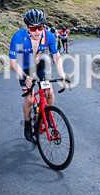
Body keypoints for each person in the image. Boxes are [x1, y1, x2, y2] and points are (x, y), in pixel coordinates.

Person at [9, 9, 68, 142]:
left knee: (49, 92)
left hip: (41, 64)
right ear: (27, 27)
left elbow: (56, 56)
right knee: (29, 100)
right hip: (24, 68)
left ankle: (47, 116)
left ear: (44, 26)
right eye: (33, 28)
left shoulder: (49, 36)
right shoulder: (18, 37)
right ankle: (28, 124)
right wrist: (25, 77)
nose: (36, 32)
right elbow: (12, 63)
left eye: (40, 28)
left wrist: (62, 74)